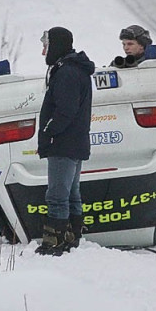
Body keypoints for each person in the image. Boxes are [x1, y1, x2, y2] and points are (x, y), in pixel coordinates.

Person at [35, 27, 96, 256]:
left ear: (56, 45)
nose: (43, 53)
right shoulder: (73, 69)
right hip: (74, 142)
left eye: (46, 46)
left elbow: (66, 110)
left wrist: (49, 131)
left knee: (57, 196)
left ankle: (54, 243)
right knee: (71, 193)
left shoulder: (67, 72)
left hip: (64, 142)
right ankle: (72, 238)